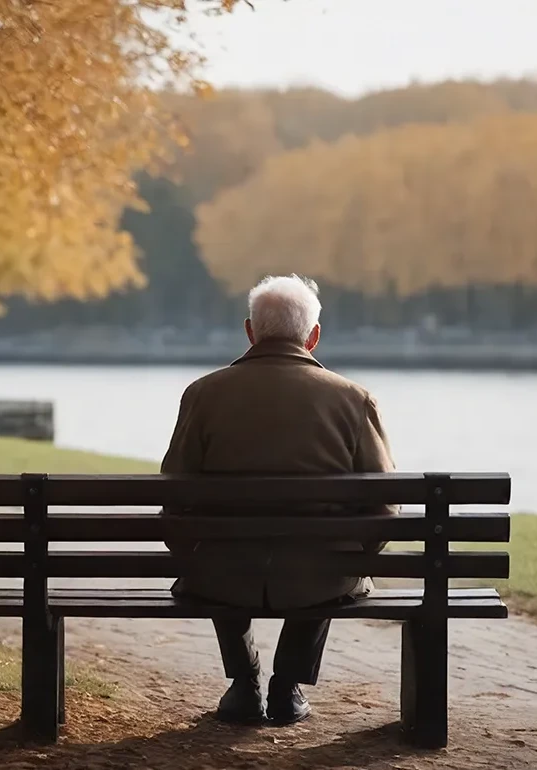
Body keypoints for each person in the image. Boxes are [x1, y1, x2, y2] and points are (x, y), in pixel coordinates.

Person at [161, 274, 397, 726]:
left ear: (250, 332)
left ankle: (245, 683)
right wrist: (357, 555)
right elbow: (385, 505)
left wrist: (189, 551)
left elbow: (174, 489)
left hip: (222, 574)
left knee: (213, 555)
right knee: (334, 560)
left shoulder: (203, 394)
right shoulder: (353, 400)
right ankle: (286, 686)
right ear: (313, 336)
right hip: (319, 577)